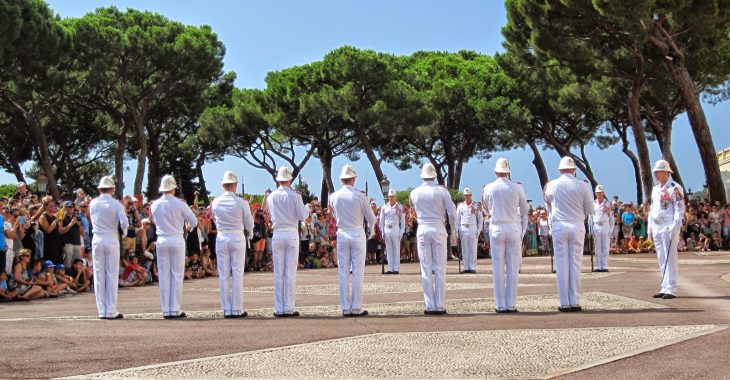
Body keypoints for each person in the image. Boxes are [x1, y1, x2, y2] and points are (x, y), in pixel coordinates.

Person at [543, 157, 593, 312]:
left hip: (559, 225)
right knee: (575, 264)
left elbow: (549, 205)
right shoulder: (583, 185)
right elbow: (590, 209)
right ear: (574, 169)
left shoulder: (551, 185)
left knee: (561, 265)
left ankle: (564, 302)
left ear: (559, 170)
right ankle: (575, 301)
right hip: (577, 224)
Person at [481, 158, 528, 313]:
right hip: (513, 227)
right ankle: (511, 304)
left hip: (497, 227)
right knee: (513, 268)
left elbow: (486, 209)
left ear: (495, 171)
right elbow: (524, 210)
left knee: (498, 268)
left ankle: (500, 304)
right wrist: (521, 232)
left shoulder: (488, 188)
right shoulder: (517, 187)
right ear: (508, 172)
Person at [409, 163, 456, 315]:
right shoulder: (442, 191)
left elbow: (412, 209)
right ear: (435, 176)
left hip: (423, 228)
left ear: (422, 176)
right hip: (438, 227)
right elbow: (452, 212)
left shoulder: (415, 192)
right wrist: (453, 230)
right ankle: (439, 305)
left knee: (426, 268)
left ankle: (430, 305)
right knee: (440, 267)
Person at [329, 164, 376, 317]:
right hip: (356, 232)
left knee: (343, 271)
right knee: (357, 271)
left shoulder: (333, 196)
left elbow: (334, 215)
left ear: (341, 179)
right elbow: (371, 218)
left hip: (342, 233)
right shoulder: (360, 195)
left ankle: (345, 307)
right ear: (353, 179)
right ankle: (356, 307)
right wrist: (370, 231)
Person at [150, 174, 198, 319]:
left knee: (164, 275)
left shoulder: (154, 204)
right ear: (174, 189)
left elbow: (154, 220)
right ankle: (175, 309)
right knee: (176, 275)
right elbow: (194, 221)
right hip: (176, 238)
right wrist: (187, 226)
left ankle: (166, 309)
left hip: (162, 239)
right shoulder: (180, 203)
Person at [265, 166, 308, 318]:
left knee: (278, 272)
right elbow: (302, 216)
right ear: (289, 179)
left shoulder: (271, 197)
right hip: (291, 233)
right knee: (289, 272)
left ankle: (279, 308)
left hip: (277, 233)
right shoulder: (295, 195)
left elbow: (270, 214)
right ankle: (288, 307)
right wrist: (307, 209)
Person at [211, 170, 254, 318]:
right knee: (237, 273)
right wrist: (250, 233)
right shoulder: (241, 202)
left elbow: (214, 218)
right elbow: (249, 223)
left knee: (223, 274)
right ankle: (237, 308)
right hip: (236, 235)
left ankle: (226, 308)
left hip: (222, 235)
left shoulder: (215, 201)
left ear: (223, 185)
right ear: (235, 185)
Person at [89, 176, 129, 319]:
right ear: (112, 189)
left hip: (97, 238)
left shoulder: (93, 203)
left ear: (100, 189)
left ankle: (102, 310)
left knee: (99, 275)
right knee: (111, 274)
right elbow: (124, 223)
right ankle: (111, 310)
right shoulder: (117, 204)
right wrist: (123, 233)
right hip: (111, 237)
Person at [648, 159, 685, 300]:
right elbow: (652, 209)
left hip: (668, 225)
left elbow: (679, 208)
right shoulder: (656, 189)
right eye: (655, 172)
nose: (656, 174)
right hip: (657, 225)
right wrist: (650, 228)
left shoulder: (674, 187)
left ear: (666, 172)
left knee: (670, 257)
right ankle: (664, 286)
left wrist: (675, 226)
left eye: (658, 172)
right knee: (661, 257)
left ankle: (672, 288)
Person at [456, 188, 483, 274]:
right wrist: (457, 231)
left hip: (472, 228)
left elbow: (480, 219)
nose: (466, 196)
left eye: (468, 195)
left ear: (471, 195)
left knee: (473, 248)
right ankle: (466, 267)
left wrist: (478, 230)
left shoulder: (475, 205)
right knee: (465, 249)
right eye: (465, 195)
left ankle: (472, 267)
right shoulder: (460, 206)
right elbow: (457, 220)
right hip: (463, 228)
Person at [379, 189, 405, 274]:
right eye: (390, 196)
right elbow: (381, 220)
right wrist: (382, 231)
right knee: (389, 249)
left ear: (395, 197)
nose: (391, 198)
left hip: (395, 229)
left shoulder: (399, 207)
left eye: (392, 196)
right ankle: (390, 268)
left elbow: (402, 221)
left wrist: (401, 232)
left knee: (396, 249)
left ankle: (396, 268)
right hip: (387, 229)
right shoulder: (384, 207)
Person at [592, 185, 614, 272]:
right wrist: (591, 228)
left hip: (605, 225)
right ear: (595, 193)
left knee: (605, 246)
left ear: (603, 193)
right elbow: (591, 216)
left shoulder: (608, 203)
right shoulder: (593, 203)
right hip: (596, 225)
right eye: (598, 193)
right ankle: (598, 265)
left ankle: (604, 265)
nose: (599, 194)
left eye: (600, 193)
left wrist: (608, 210)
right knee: (597, 246)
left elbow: (612, 218)